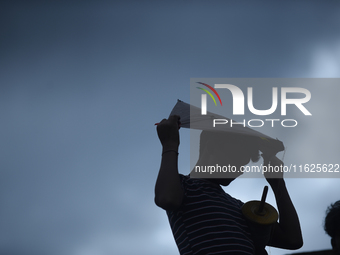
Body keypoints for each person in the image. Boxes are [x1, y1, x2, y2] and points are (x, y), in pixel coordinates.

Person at [154, 115, 303, 254]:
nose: (239, 170)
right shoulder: (181, 186)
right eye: (236, 160)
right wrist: (169, 144)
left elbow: (292, 240)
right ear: (211, 146)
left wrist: (278, 184)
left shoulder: (241, 208)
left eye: (243, 164)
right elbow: (167, 199)